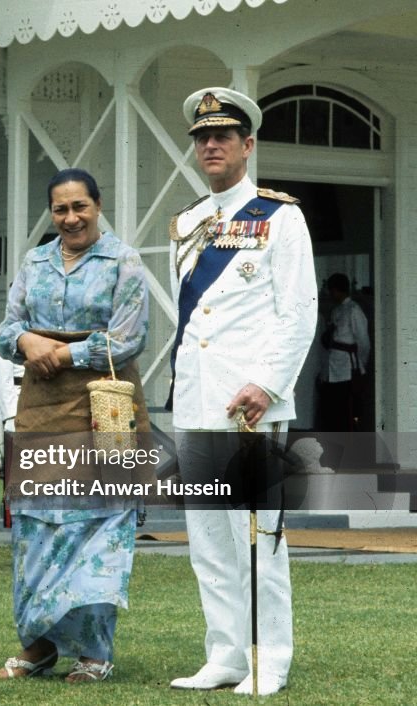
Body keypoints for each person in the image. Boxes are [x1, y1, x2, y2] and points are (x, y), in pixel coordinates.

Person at [167, 88, 317, 696]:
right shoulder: (188, 222)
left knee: (257, 537)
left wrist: (267, 383)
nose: (210, 145)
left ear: (247, 145)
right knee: (208, 540)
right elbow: (194, 324)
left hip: (250, 404)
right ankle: (225, 655)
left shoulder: (280, 217)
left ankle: (268, 659)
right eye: (203, 137)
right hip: (197, 399)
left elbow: (298, 311)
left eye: (223, 136)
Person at [0, 167, 151, 685]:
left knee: (96, 529)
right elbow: (6, 330)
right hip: (40, 410)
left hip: (101, 409)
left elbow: (127, 339)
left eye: (79, 206)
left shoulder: (124, 261)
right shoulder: (34, 261)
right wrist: (25, 343)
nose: (70, 218)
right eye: (60, 209)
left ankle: (94, 653)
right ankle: (37, 647)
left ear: (98, 206)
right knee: (35, 532)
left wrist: (60, 351)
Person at [319, 272, 370, 431]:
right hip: (333, 368)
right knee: (333, 412)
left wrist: (360, 365)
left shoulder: (354, 310)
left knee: (347, 412)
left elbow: (363, 341)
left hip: (348, 369)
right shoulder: (336, 310)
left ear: (337, 290)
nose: (330, 295)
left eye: (331, 291)